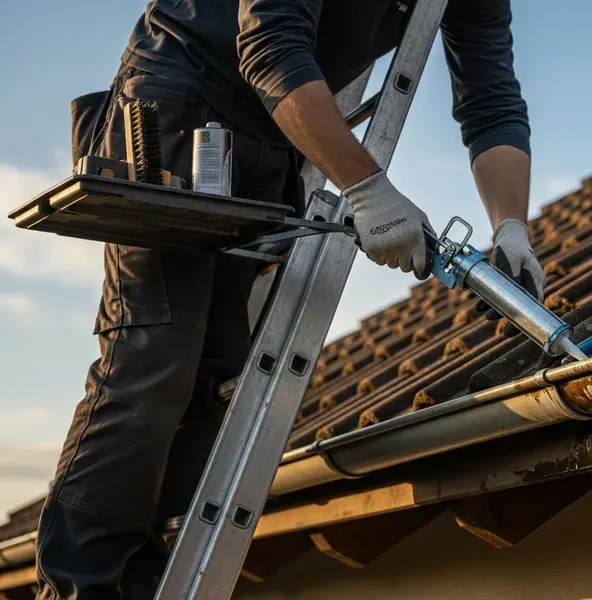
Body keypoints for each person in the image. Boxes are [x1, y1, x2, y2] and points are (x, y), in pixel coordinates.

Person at [35, 1, 545, 598]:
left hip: (271, 141)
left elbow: (492, 101)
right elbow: (270, 42)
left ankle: (145, 585)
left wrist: (512, 228)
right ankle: (78, 588)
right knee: (155, 358)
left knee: (215, 380)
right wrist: (368, 188)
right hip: (175, 104)